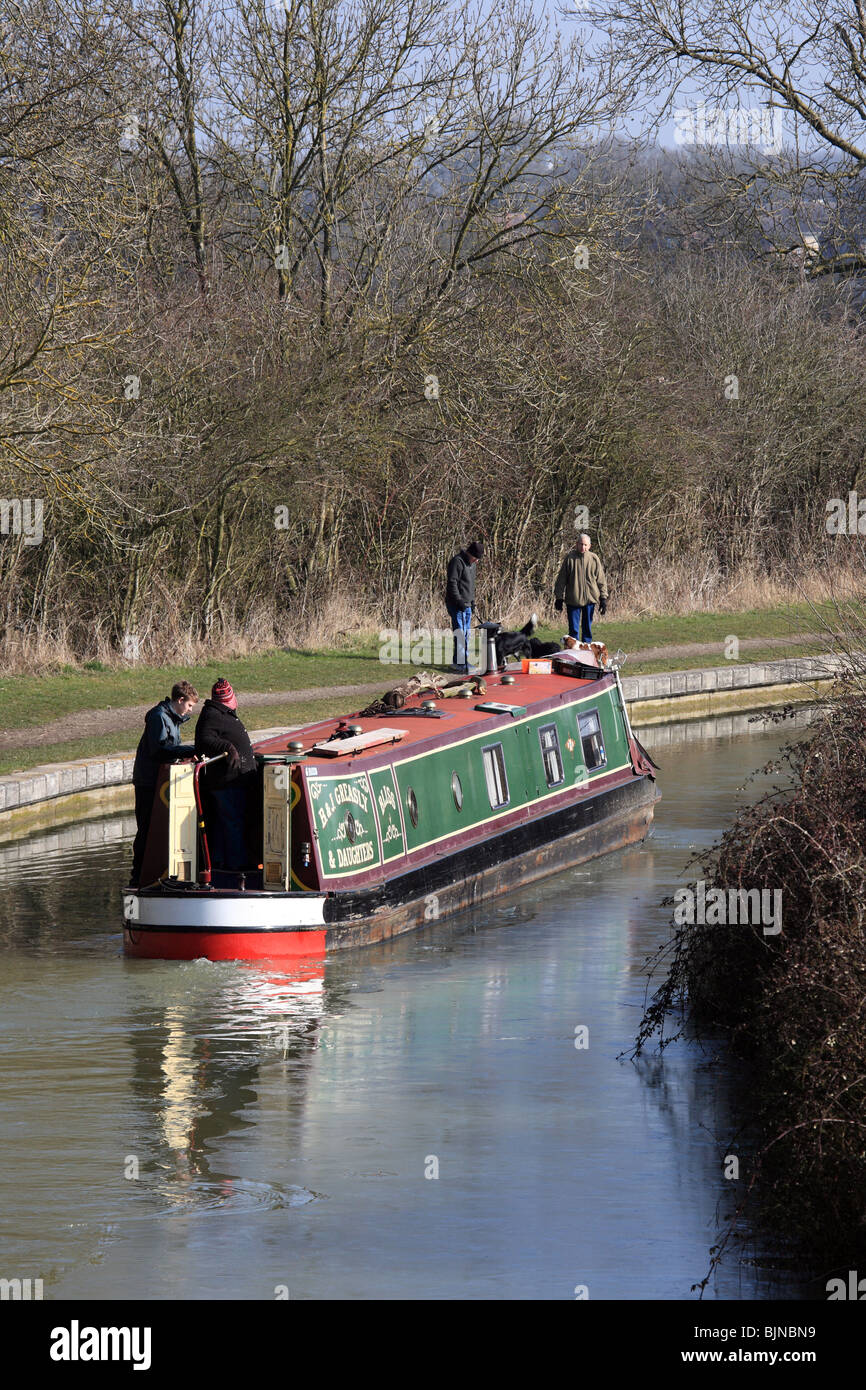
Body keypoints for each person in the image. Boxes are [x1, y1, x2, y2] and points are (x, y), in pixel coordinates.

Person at [130, 680, 199, 886]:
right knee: (146, 828)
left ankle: (156, 871)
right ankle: (139, 875)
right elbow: (160, 750)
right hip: (148, 781)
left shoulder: (172, 718)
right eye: (189, 706)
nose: (189, 711)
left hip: (157, 780)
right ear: (179, 700)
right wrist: (190, 750)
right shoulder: (159, 717)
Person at [194, 677, 256, 872]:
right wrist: (228, 746)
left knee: (229, 823)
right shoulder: (212, 715)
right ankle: (236, 866)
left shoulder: (219, 713)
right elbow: (204, 739)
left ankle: (224, 862)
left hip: (233, 780)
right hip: (226, 782)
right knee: (231, 823)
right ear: (230, 698)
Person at [553, 533, 608, 642]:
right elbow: (561, 579)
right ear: (576, 544)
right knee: (573, 631)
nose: (583, 547)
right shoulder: (570, 559)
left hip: (590, 600)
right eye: (581, 544)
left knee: (587, 629)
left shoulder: (594, 558)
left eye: (585, 545)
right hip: (573, 600)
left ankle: (586, 653)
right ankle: (574, 655)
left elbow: (601, 579)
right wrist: (559, 597)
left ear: (589, 546)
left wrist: (603, 598)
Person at [445, 539, 483, 674]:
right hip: (456, 604)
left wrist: (472, 602)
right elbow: (452, 583)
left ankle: (459, 661)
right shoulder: (457, 562)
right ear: (469, 553)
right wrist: (459, 601)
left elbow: (471, 585)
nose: (477, 561)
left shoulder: (472, 565)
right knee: (461, 634)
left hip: (467, 604)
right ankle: (461, 663)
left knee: (467, 634)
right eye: (476, 558)